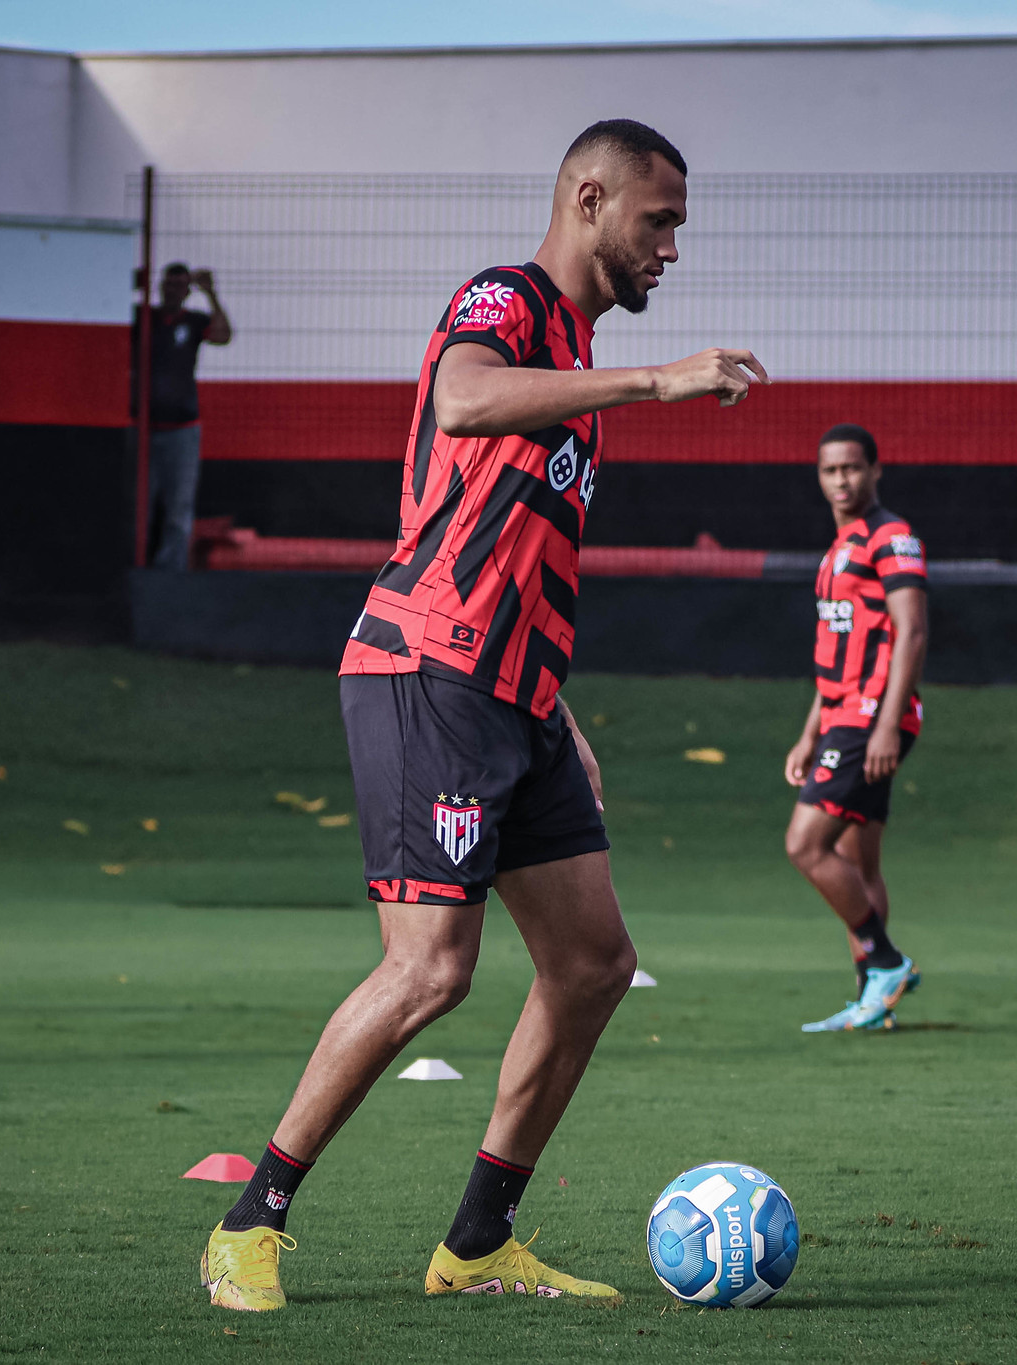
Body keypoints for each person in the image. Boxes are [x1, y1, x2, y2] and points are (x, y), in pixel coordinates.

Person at [198, 118, 768, 1313]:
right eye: (656, 221)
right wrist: (659, 380)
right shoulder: (501, 301)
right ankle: (249, 1224)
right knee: (430, 972)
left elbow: (519, 552)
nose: (671, 248)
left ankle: (474, 1245)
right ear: (589, 196)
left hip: (519, 697)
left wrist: (559, 713)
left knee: (593, 963)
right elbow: (459, 402)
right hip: (425, 672)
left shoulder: (572, 359)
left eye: (678, 229)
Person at [782, 424, 928, 1033]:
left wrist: (887, 726)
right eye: (829, 470)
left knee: (804, 845)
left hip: (871, 722)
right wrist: (809, 730)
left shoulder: (891, 537)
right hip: (842, 718)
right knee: (857, 862)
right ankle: (876, 1001)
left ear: (875, 471)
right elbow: (839, 650)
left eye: (851, 468)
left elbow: (911, 632)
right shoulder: (837, 548)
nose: (841, 480)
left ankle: (886, 962)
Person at [130, 261, 232, 571]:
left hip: (182, 428)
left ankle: (171, 568)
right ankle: (138, 562)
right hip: (144, 427)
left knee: (179, 505)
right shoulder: (144, 318)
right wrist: (133, 285)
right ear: (160, 287)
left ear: (187, 291)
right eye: (168, 285)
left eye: (180, 286)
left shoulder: (193, 321)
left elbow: (223, 335)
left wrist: (211, 293)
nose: (173, 290)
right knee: (139, 503)